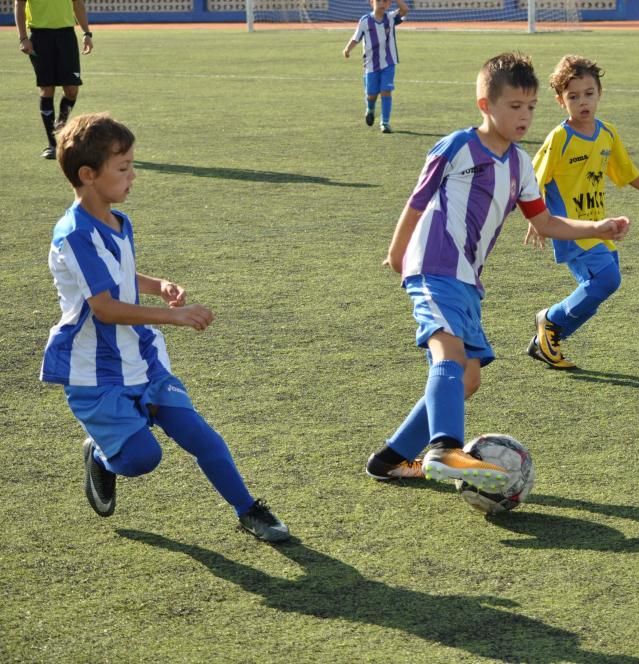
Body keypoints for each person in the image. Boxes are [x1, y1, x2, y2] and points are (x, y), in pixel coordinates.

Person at [365, 52, 630, 485]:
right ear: (486, 105)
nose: (524, 116)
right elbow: (417, 200)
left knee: (467, 378)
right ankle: (445, 450)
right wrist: (398, 254)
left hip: (467, 279)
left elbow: (544, 222)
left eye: (530, 107)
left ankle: (391, 457)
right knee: (447, 352)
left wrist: (596, 226)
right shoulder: (457, 146)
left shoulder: (522, 165)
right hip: (433, 265)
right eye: (514, 106)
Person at [40, 113, 290, 543]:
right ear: (88, 174)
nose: (132, 176)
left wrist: (157, 286)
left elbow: (118, 275)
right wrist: (175, 315)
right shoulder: (75, 234)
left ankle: (249, 509)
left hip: (142, 357)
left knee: (201, 436)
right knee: (141, 458)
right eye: (123, 169)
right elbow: (104, 307)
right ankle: (101, 455)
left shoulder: (120, 222)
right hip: (95, 371)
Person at [524, 55, 639, 370]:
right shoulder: (560, 138)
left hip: (597, 227)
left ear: (600, 93)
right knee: (606, 279)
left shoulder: (607, 133)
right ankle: (550, 321)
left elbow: (625, 170)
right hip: (571, 227)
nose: (582, 102)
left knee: (603, 284)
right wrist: (536, 220)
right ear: (561, 101)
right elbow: (534, 179)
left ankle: (548, 338)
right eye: (573, 96)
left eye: (589, 94)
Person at [15, 0, 93, 159]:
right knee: (47, 88)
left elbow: (78, 4)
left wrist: (86, 33)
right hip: (40, 36)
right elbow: (19, 5)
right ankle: (53, 145)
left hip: (66, 36)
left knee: (72, 90)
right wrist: (23, 38)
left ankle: (60, 124)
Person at [343, 0, 410, 134]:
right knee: (371, 95)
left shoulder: (391, 18)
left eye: (385, 1)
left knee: (386, 90)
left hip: (389, 63)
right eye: (379, 0)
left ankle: (385, 123)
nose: (382, 3)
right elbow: (356, 38)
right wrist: (347, 49)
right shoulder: (365, 21)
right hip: (371, 64)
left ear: (389, 4)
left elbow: (404, 10)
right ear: (371, 3)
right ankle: (370, 109)